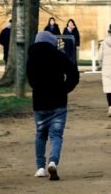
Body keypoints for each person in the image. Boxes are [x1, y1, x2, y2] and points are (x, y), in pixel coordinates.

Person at [26, 30, 80, 181]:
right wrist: (65, 88)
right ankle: (53, 161)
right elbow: (74, 74)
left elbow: (30, 78)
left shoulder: (31, 58)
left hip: (39, 102)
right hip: (58, 101)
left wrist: (37, 88)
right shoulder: (59, 55)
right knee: (56, 135)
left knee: (40, 134)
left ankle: (40, 167)